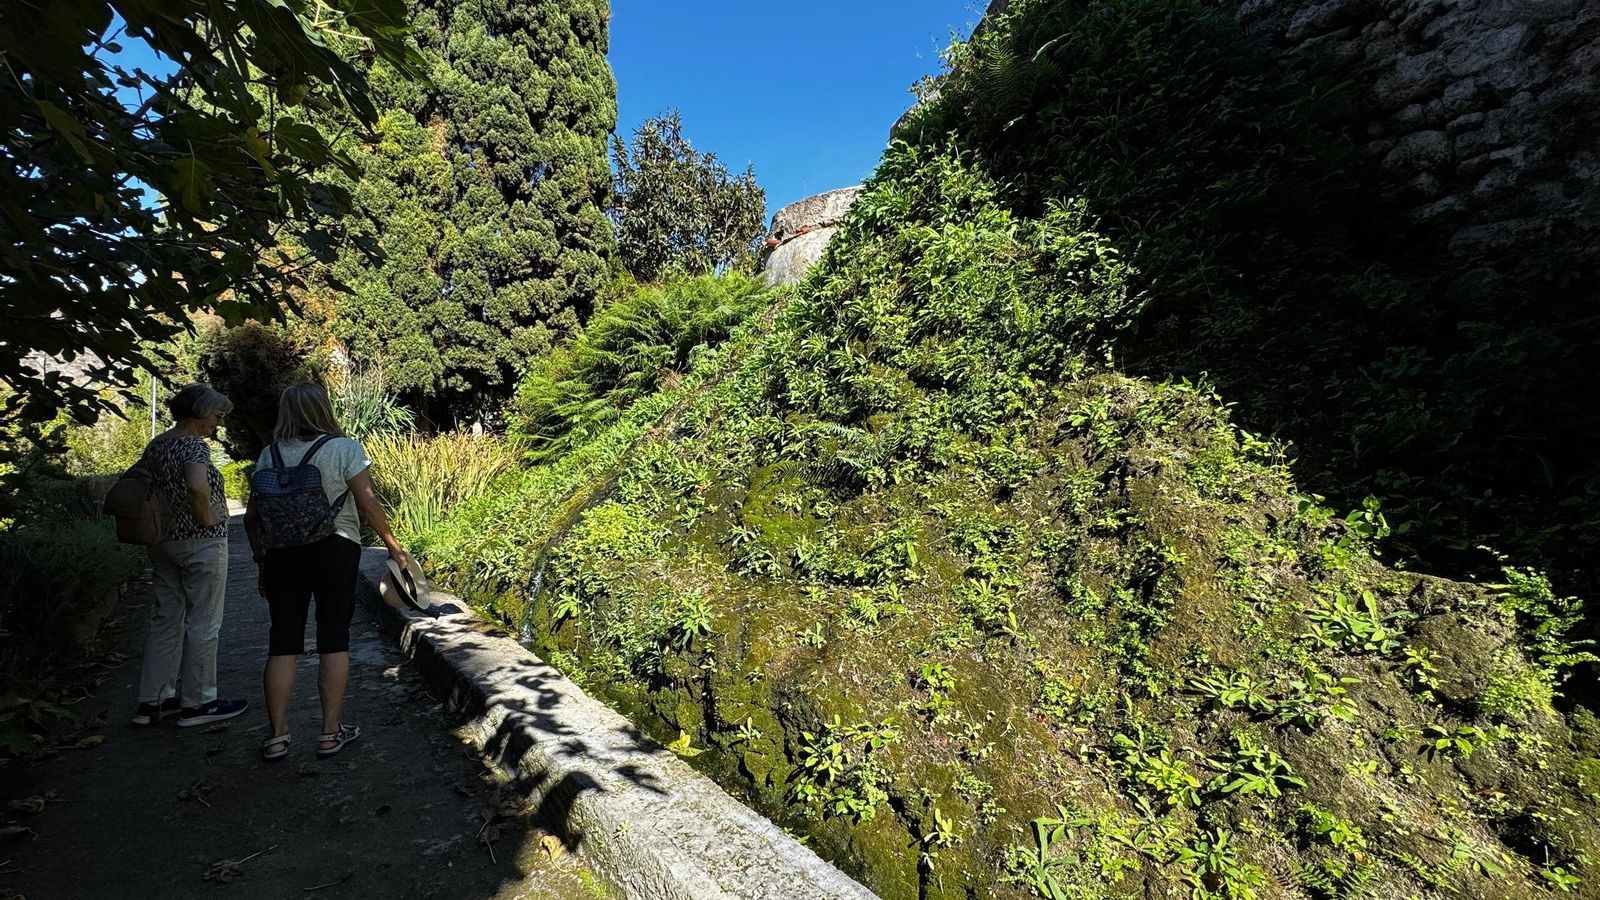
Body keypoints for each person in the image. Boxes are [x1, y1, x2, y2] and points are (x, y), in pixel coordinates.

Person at [245, 383, 409, 761]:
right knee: (333, 638)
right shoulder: (343, 448)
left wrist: (261, 561)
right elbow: (367, 502)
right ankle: (329, 733)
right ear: (323, 410)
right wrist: (392, 544)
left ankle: (276, 736)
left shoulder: (269, 455)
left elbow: (253, 518)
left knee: (282, 640)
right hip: (335, 547)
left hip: (283, 554)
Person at [130, 384, 251, 727]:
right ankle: (199, 703)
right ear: (198, 414)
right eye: (216, 416)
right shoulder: (193, 445)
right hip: (200, 542)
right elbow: (197, 485)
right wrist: (207, 516)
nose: (218, 423)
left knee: (166, 618)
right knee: (204, 621)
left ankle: (152, 701)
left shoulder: (157, 445)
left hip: (162, 542)